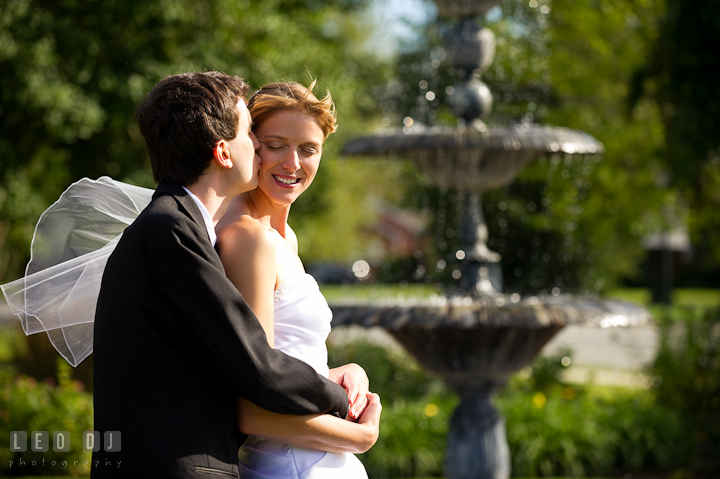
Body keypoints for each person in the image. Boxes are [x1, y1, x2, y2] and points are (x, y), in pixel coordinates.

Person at [91, 72, 354, 479]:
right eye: (258, 137)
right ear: (224, 151)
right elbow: (255, 364)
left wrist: (343, 375)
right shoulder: (173, 231)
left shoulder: (182, 226)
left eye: (308, 148)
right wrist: (346, 407)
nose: (283, 159)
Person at [215, 81, 380, 479]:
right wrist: (359, 438)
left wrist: (339, 373)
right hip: (291, 465)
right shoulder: (248, 238)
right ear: (249, 143)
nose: (293, 163)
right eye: (276, 144)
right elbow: (253, 410)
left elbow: (287, 360)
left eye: (308, 149)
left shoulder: (284, 237)